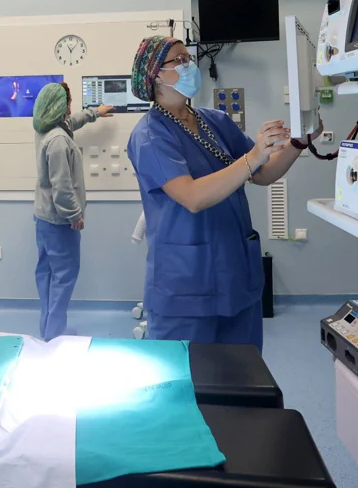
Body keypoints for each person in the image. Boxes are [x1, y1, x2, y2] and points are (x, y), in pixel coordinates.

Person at [126, 35, 319, 350]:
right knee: (192, 387)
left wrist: (299, 141)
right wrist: (254, 155)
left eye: (189, 59)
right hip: (187, 286)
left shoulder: (214, 121)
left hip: (235, 276)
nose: (190, 66)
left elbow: (263, 174)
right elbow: (192, 197)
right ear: (156, 75)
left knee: (244, 381)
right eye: (179, 60)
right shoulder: (150, 135)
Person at [31, 82, 115, 339]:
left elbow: (72, 123)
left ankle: (48, 329)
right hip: (59, 221)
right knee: (64, 278)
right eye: (67, 103)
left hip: (43, 217)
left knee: (47, 274)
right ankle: (54, 335)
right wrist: (74, 215)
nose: (69, 108)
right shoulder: (58, 141)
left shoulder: (47, 129)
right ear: (59, 106)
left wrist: (94, 113)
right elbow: (62, 185)